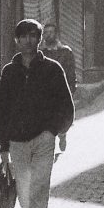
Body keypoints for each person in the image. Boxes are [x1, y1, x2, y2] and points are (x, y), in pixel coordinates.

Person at [0, 19, 75, 208]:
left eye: (33, 35)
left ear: (39, 39)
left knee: (39, 190)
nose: (28, 40)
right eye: (23, 36)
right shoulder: (9, 72)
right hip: (17, 142)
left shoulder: (52, 69)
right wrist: (3, 146)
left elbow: (66, 106)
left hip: (43, 140)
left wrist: (54, 131)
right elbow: (3, 110)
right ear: (16, 40)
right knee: (24, 194)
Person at [40, 23, 75, 154]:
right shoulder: (41, 53)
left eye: (51, 32)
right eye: (46, 32)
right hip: (45, 91)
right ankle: (49, 145)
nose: (48, 35)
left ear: (56, 34)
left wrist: (71, 89)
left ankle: (62, 135)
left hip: (61, 91)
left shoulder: (65, 52)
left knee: (61, 118)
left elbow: (71, 73)